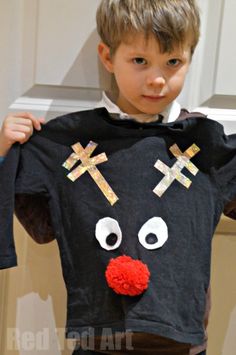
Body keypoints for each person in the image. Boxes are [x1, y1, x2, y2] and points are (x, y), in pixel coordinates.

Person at [0, 0, 235, 354]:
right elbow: (44, 229)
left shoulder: (206, 143)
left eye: (173, 62)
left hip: (182, 343)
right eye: (140, 60)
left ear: (190, 58)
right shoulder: (66, 144)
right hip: (100, 341)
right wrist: (6, 153)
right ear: (108, 57)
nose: (157, 79)